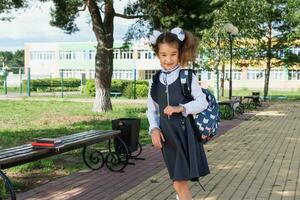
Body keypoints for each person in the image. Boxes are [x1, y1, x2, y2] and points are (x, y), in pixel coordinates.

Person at [146, 27, 210, 200]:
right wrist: (154, 129)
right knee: (178, 180)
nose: (168, 59)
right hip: (168, 138)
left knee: (179, 181)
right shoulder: (155, 80)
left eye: (173, 54)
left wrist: (181, 108)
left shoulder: (187, 76)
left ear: (179, 52)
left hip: (185, 134)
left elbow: (202, 102)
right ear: (157, 54)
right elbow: (151, 110)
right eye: (163, 54)